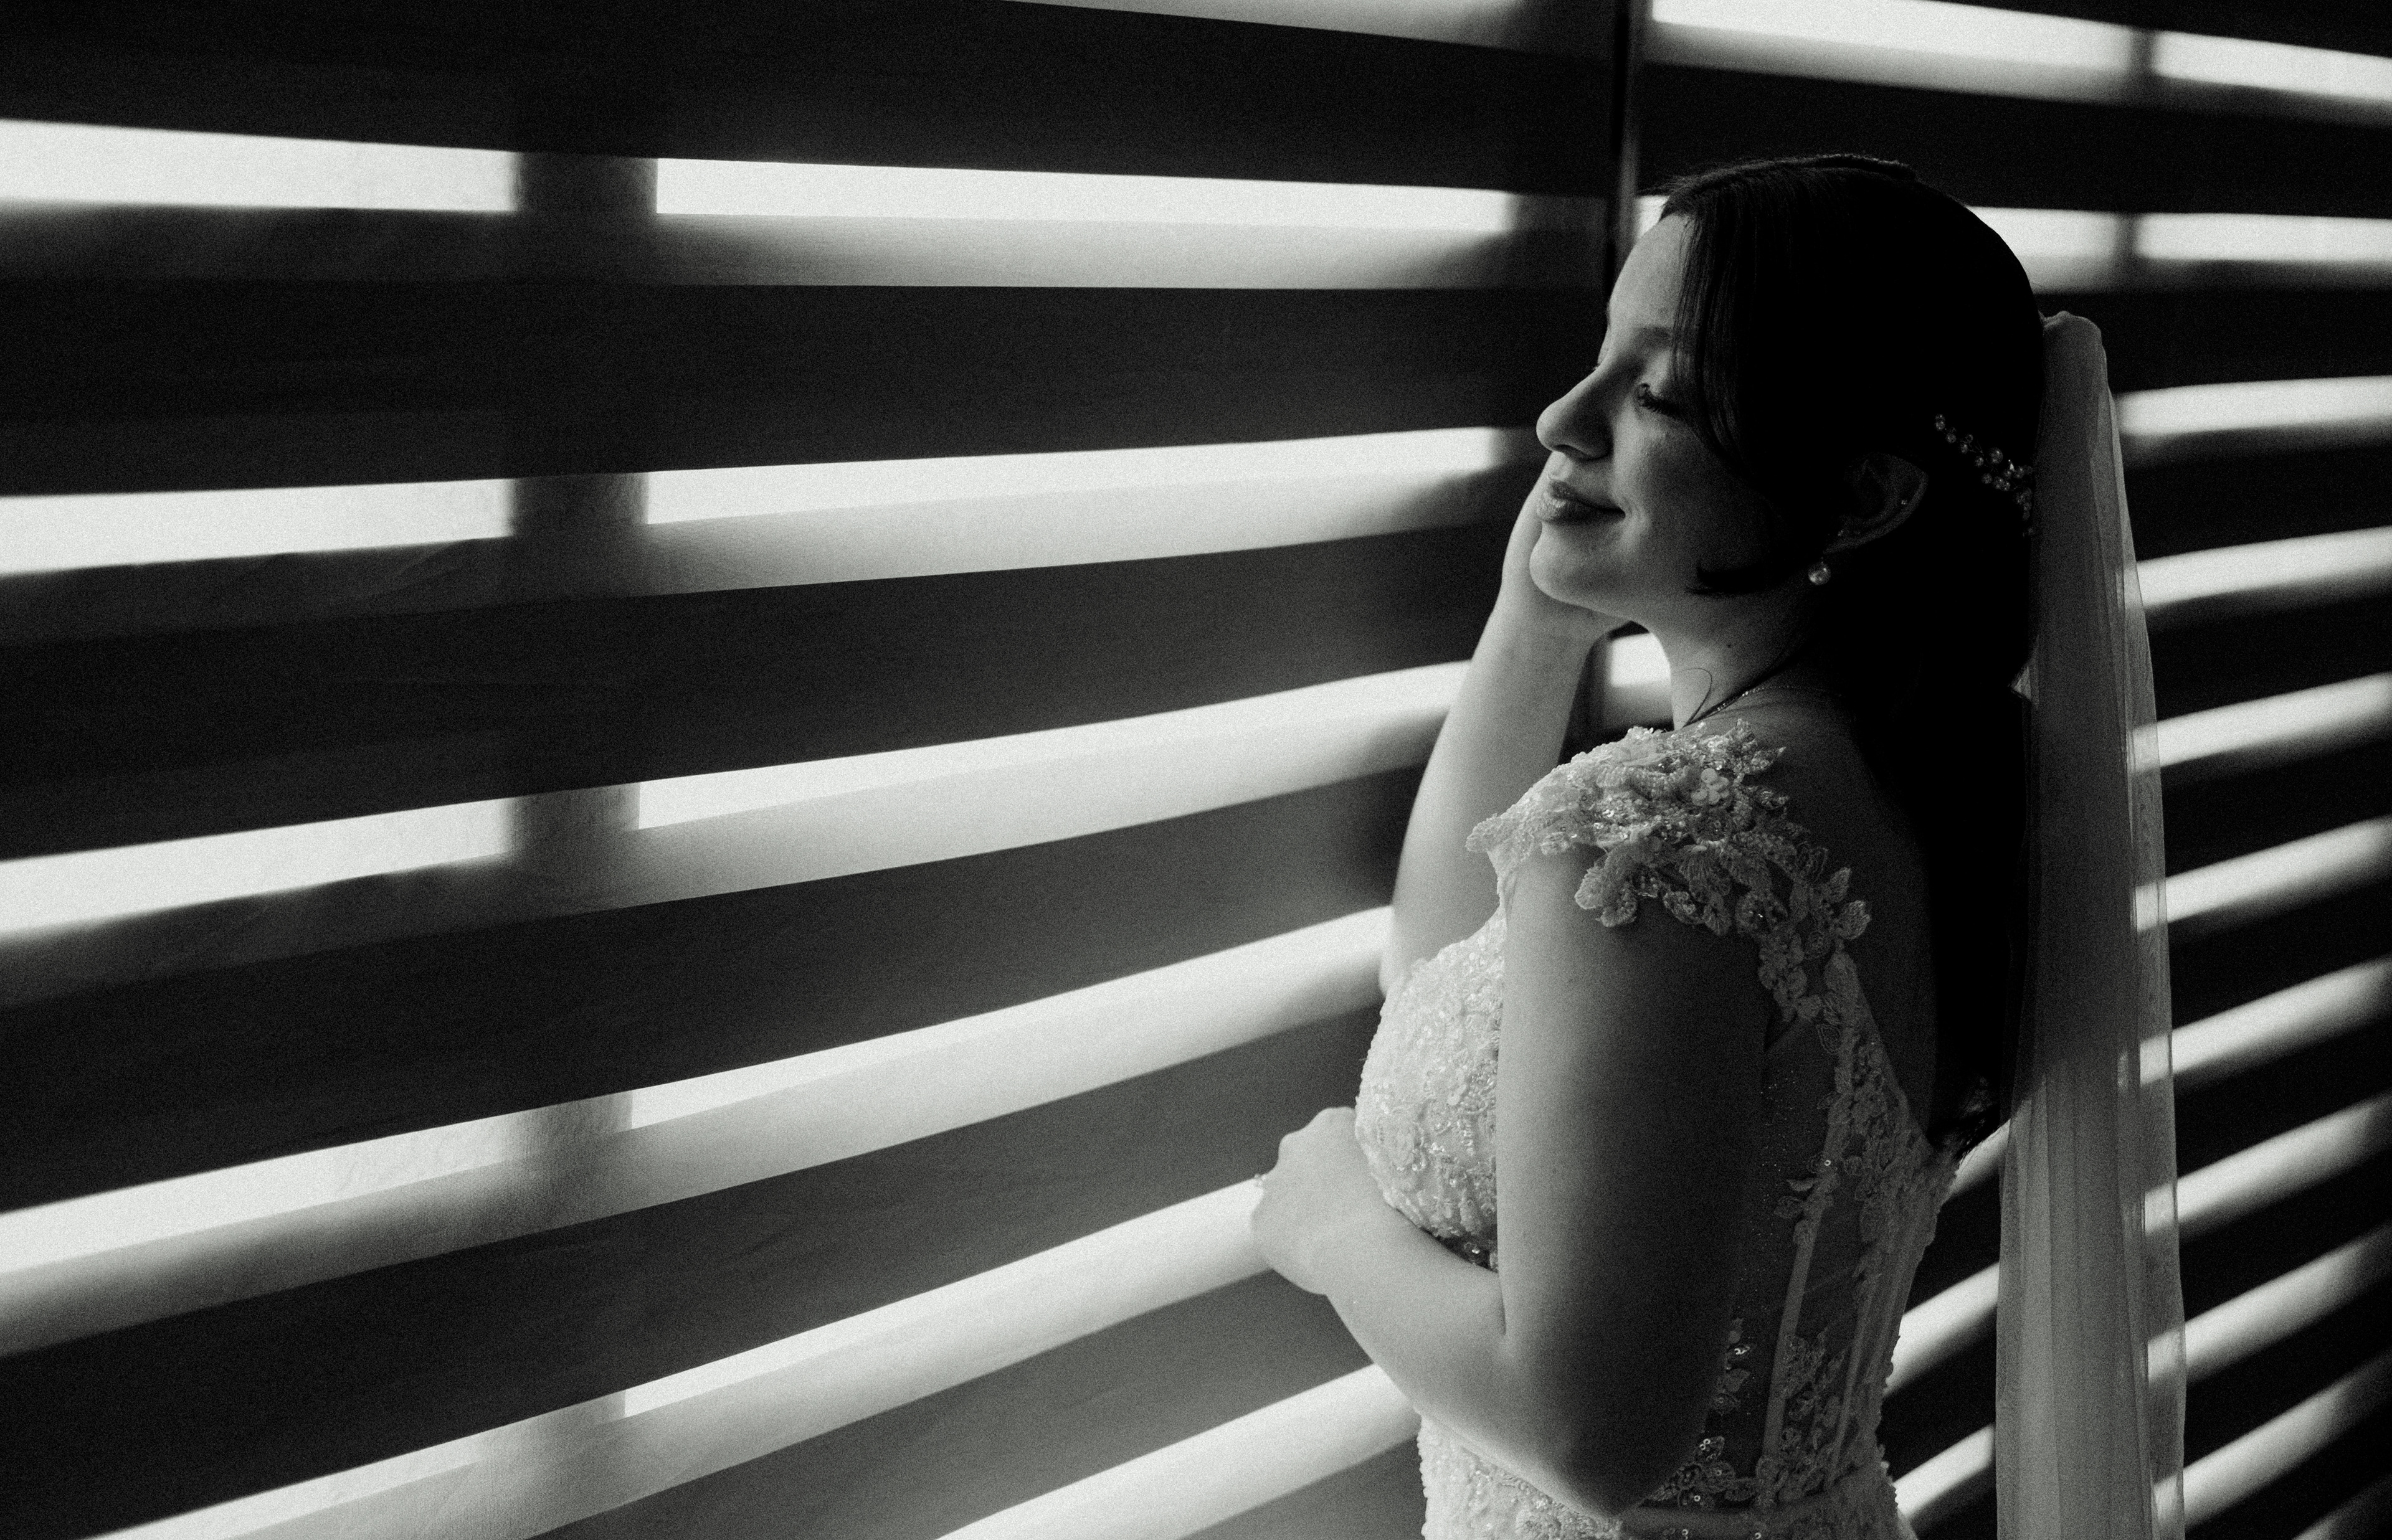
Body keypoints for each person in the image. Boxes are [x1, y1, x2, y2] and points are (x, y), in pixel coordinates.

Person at [1251, 154, 2183, 1539]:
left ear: (1863, 497)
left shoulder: (1665, 839)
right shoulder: (1956, 785)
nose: (1563, 418)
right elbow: (1455, 968)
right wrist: (1536, 625)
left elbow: (1589, 1430)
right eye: (1602, 354)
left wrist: (1333, 1229)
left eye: (1663, 393)